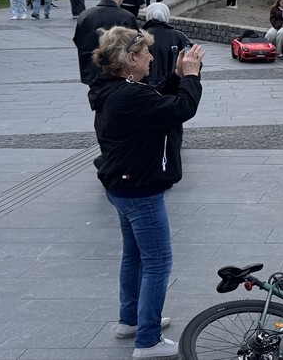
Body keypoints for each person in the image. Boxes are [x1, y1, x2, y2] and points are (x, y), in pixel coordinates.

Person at [89, 26, 204, 359]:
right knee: (158, 262)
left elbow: (155, 96)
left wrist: (177, 75)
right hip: (140, 190)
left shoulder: (115, 88)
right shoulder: (128, 95)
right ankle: (148, 340)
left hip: (123, 187)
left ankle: (131, 321)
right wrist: (192, 78)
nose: (152, 57)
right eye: (147, 52)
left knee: (135, 255)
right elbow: (181, 108)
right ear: (131, 58)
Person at [73, 0, 139, 85]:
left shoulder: (85, 16)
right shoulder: (126, 17)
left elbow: (78, 40)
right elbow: (135, 45)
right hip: (118, 71)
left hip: (91, 70)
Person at [141, 3, 192, 84]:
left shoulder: (138, 36)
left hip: (142, 85)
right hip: (172, 85)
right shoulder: (178, 36)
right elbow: (192, 58)